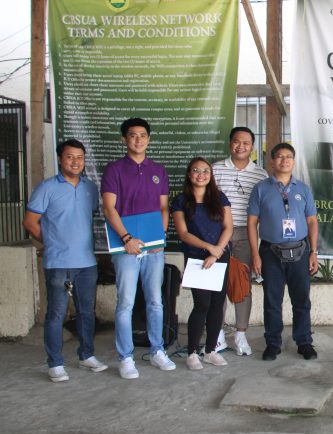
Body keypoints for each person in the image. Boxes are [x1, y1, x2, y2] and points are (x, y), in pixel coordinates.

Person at [23, 139, 108, 382]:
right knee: (56, 314)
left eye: (79, 157)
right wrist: (51, 242)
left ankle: (86, 355)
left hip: (87, 262)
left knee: (86, 312)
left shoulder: (90, 188)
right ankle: (55, 363)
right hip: (58, 263)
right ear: (60, 159)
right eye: (70, 157)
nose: (75, 162)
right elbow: (30, 222)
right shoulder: (46, 187)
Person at [101, 117, 176, 379]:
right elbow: (109, 208)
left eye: (143, 135)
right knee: (126, 303)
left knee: (155, 301)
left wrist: (159, 239)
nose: (138, 140)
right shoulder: (114, 170)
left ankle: (157, 350)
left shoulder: (159, 170)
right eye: (132, 135)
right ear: (124, 139)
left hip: (154, 249)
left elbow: (163, 208)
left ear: (149, 139)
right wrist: (126, 238)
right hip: (126, 248)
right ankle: (125, 357)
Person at [247, 142, 320, 361]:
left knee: (301, 300)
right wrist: (255, 254)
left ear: (293, 161)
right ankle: (273, 343)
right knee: (272, 300)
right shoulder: (261, 189)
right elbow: (252, 223)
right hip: (270, 252)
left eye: (289, 156)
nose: (284, 160)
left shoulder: (303, 189)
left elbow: (312, 221)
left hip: (300, 251)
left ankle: (304, 342)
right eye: (279, 156)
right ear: (272, 161)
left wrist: (314, 251)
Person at [171, 158, 233, 370]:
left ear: (210, 175)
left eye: (206, 171)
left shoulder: (219, 198)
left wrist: (216, 252)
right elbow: (183, 233)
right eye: (196, 170)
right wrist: (209, 248)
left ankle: (210, 351)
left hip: (220, 255)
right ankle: (191, 353)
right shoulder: (181, 200)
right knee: (202, 304)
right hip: (196, 257)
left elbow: (228, 227)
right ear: (189, 174)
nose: (201, 174)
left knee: (217, 303)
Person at [212, 127, 268, 356]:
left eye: (246, 143)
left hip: (247, 234)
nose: (241, 146)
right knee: (217, 284)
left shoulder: (261, 175)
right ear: (230, 143)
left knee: (242, 284)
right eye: (237, 141)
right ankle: (216, 335)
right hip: (218, 234)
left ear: (252, 147)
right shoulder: (215, 170)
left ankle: (241, 335)